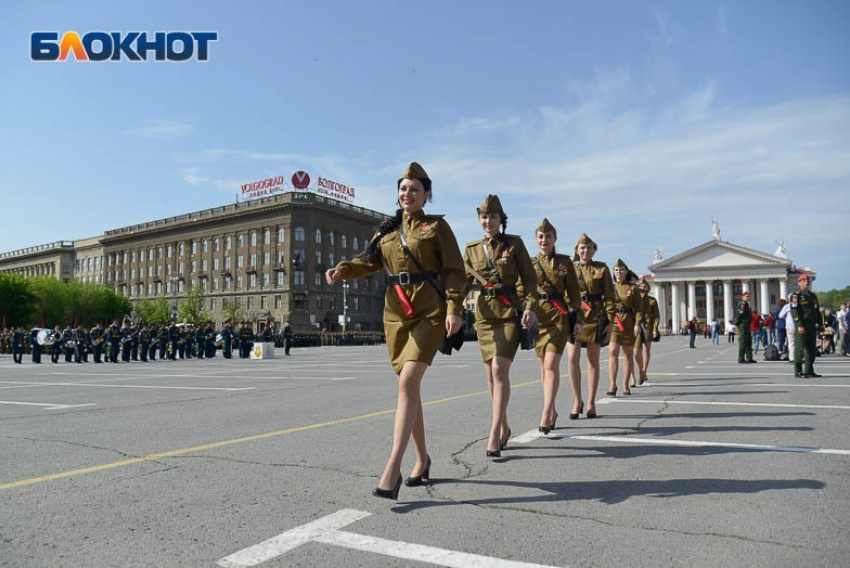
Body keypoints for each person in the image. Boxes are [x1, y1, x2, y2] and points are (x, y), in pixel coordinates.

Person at [325, 161, 465, 500]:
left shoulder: (437, 228)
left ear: (426, 195)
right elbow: (369, 261)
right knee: (410, 388)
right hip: (396, 315)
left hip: (429, 311)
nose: (408, 194)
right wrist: (344, 269)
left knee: (407, 383)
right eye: (403, 189)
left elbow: (454, 270)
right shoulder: (386, 230)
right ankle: (422, 459)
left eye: (414, 190)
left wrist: (454, 309)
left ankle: (393, 468)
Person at [463, 194, 537, 458]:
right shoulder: (471, 249)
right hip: (484, 316)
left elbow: (529, 279)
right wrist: (450, 311)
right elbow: (461, 284)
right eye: (484, 217)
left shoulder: (514, 244)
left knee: (499, 371)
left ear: (501, 220)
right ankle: (504, 425)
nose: (488, 221)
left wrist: (529, 308)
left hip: (508, 314)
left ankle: (494, 432)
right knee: (490, 377)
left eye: (493, 217)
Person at [531, 218, 583, 434]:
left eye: (548, 236)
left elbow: (573, 292)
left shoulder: (564, 262)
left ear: (555, 238)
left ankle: (545, 413)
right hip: (537, 318)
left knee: (551, 364)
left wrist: (577, 319)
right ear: (536, 239)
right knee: (544, 367)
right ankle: (551, 409)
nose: (545, 240)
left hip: (558, 318)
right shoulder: (530, 264)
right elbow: (525, 290)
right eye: (541, 237)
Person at [569, 233, 616, 419]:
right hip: (575, 317)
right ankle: (576, 400)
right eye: (582, 248)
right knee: (572, 358)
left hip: (595, 317)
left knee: (593, 361)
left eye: (589, 248)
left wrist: (611, 321)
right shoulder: (569, 268)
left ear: (594, 250)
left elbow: (610, 296)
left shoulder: (601, 269)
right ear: (576, 250)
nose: (585, 251)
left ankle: (590, 402)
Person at [607, 260, 643, 396]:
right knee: (612, 351)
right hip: (614, 322)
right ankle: (612, 385)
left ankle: (625, 384)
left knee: (627, 353)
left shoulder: (633, 289)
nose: (618, 272)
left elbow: (639, 308)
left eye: (621, 270)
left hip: (628, 322)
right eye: (616, 270)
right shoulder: (609, 288)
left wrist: (637, 324)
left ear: (626, 272)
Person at [791, 274, 821, 378]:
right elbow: (794, 311)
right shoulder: (796, 296)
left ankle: (809, 370)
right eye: (803, 281)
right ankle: (798, 371)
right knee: (800, 349)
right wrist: (799, 324)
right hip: (802, 325)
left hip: (812, 326)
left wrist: (820, 325)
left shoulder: (812, 296)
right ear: (799, 283)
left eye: (807, 281)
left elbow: (817, 311)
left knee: (811, 349)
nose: (806, 282)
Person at [634, 278, 660, 385]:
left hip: (647, 326)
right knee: (636, 350)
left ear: (648, 288)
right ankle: (640, 370)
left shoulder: (652, 300)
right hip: (636, 325)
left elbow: (656, 316)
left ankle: (644, 370)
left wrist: (655, 329)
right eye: (640, 286)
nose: (642, 288)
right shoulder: (634, 300)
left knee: (646, 349)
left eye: (644, 286)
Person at [735, 291, 756, 363]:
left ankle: (749, 357)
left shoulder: (746, 305)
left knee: (748, 342)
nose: (748, 297)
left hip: (747, 324)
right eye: (746, 296)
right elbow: (740, 314)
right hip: (743, 324)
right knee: (743, 342)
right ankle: (741, 358)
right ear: (743, 297)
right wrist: (737, 323)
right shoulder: (742, 304)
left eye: (749, 296)